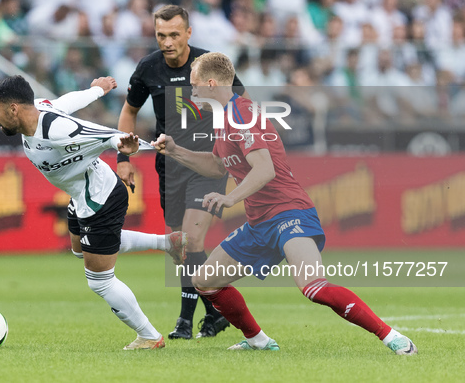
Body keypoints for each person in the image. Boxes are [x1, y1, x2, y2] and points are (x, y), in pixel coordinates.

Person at [152, 52, 418, 355]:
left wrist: (229, 198)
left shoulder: (242, 114)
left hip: (290, 212)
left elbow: (266, 169)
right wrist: (174, 151)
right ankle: (258, 341)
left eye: (195, 84)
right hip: (258, 223)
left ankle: (392, 337)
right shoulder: (224, 117)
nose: (192, 91)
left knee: (313, 287)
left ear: (211, 83)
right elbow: (216, 165)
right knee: (204, 281)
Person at [0, 75, 188, 350]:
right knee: (80, 249)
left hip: (99, 198)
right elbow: (65, 102)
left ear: (13, 108)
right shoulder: (37, 108)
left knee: (99, 281)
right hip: (81, 194)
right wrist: (96, 90)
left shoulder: (56, 131)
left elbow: (98, 133)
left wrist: (130, 145)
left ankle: (149, 336)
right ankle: (167, 243)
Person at [117, 4, 246, 339]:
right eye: (161, 35)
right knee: (179, 246)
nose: (168, 41)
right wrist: (124, 159)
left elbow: (240, 104)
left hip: (207, 164)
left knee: (189, 241)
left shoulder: (210, 64)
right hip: (169, 165)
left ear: (189, 33)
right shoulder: (148, 68)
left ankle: (185, 322)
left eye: (174, 34)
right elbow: (129, 112)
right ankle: (216, 311)